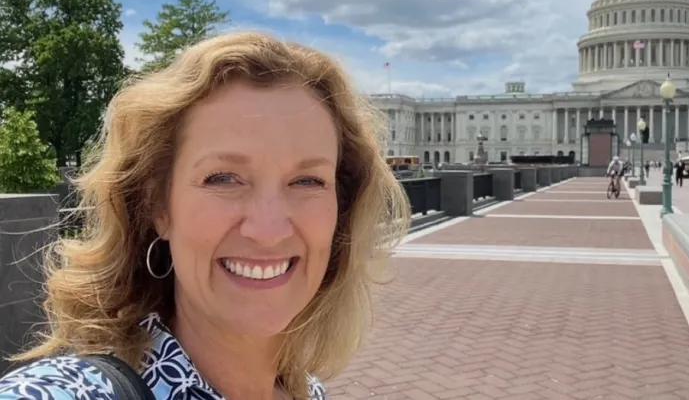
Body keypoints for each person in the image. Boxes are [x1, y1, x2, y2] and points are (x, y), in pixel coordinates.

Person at [0, 33, 411, 399]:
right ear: (158, 206)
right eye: (224, 178)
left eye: (307, 181)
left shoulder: (306, 389)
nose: (268, 230)